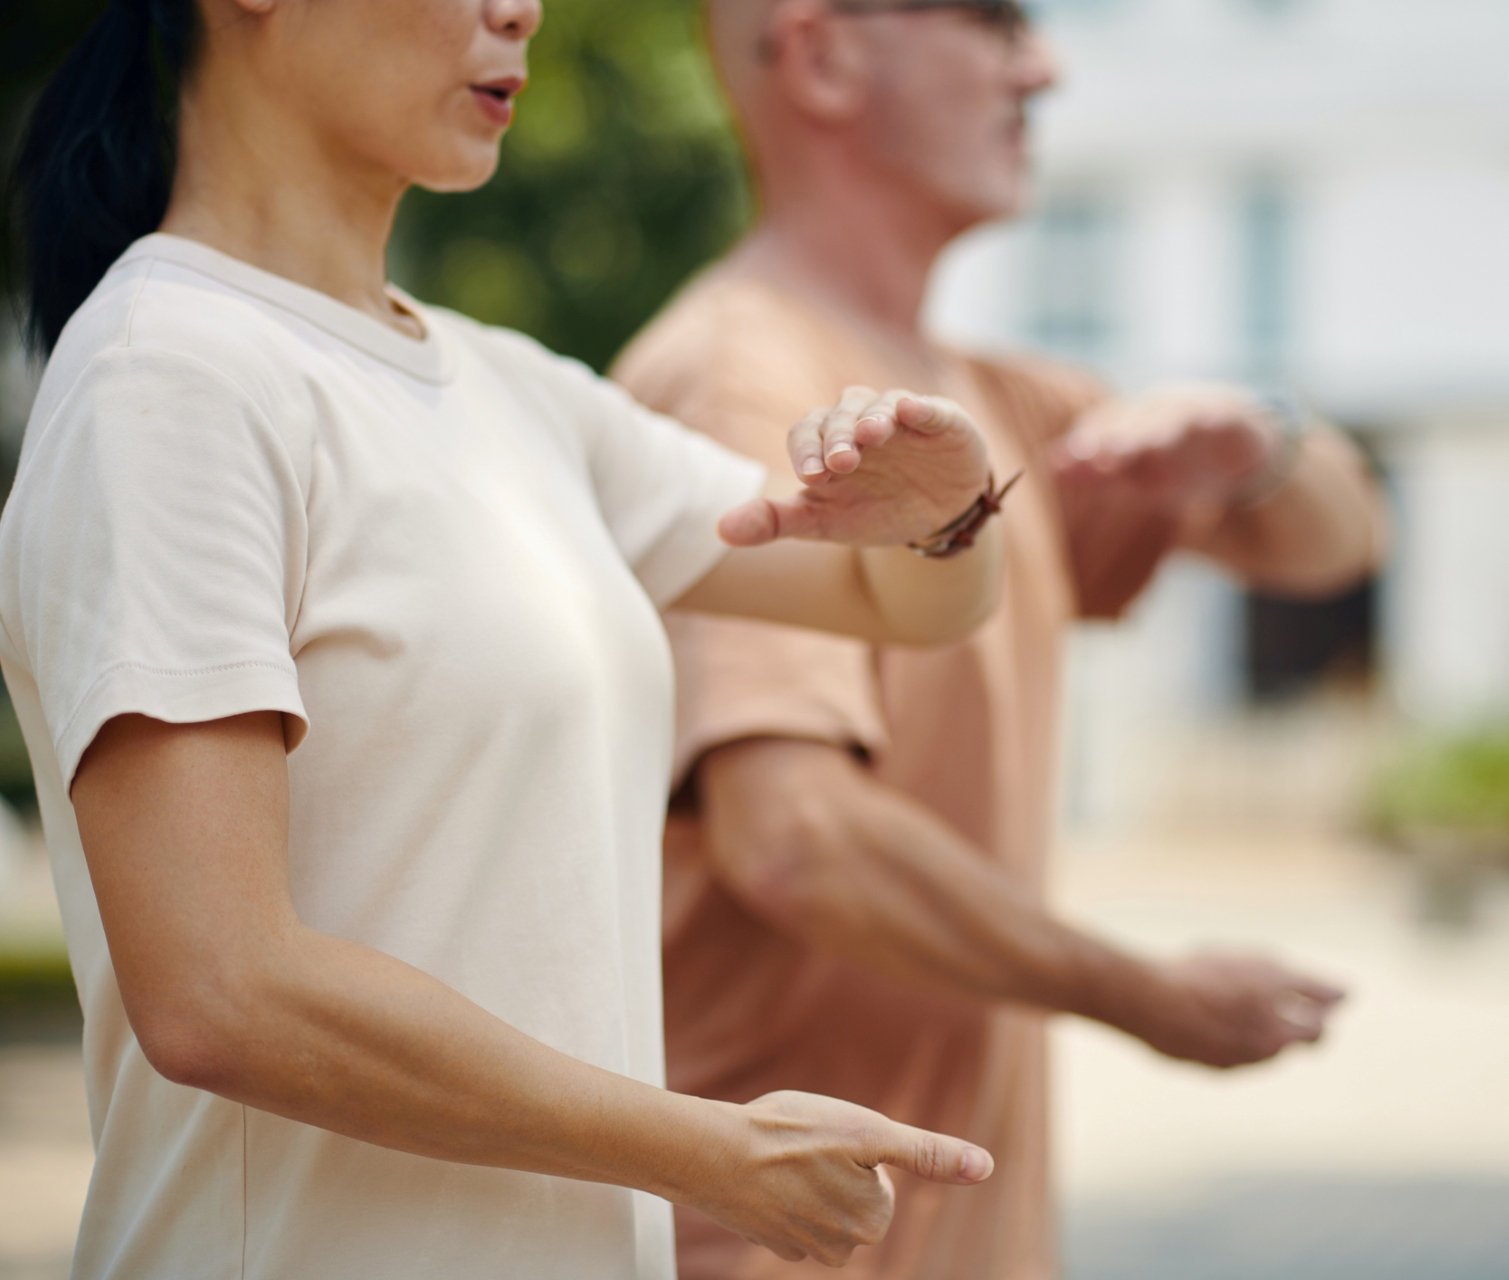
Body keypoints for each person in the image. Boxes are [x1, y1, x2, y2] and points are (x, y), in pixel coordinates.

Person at [1, 0, 1021, 1276]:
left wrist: (945, 517)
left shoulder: (513, 394)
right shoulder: (169, 376)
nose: (520, 9)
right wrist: (709, 1152)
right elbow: (220, 989)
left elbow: (894, 601)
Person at [610, 1, 1391, 1276]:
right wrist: (1154, 995)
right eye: (995, 19)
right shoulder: (740, 381)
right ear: (821, 53)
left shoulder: (990, 400)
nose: (1044, 65)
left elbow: (1337, 545)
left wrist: (1264, 442)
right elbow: (797, 838)